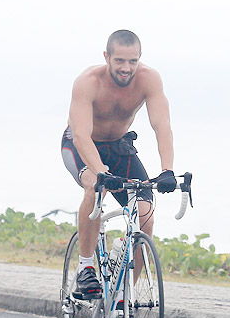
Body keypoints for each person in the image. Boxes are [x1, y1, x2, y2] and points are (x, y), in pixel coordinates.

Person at [61, 30, 177, 301]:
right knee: (95, 188)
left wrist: (167, 170)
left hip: (119, 147)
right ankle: (86, 267)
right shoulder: (89, 82)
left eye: (133, 61)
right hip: (82, 144)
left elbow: (162, 125)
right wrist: (101, 172)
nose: (127, 68)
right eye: (120, 61)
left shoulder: (149, 80)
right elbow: (80, 135)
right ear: (107, 57)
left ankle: (125, 295)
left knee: (145, 213)